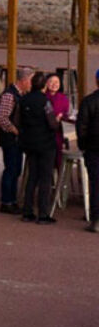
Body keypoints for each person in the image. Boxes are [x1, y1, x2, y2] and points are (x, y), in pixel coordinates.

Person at [18, 70, 59, 223]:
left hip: (29, 142)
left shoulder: (24, 99)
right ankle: (43, 213)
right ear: (44, 86)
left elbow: (18, 119)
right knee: (45, 178)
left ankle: (27, 211)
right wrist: (57, 120)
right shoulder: (45, 101)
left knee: (31, 176)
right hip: (46, 143)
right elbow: (52, 123)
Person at [0, 66, 32, 214]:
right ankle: (6, 201)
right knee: (11, 169)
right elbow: (3, 119)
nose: (31, 84)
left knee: (16, 169)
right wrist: (15, 130)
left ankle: (12, 200)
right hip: (10, 139)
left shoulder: (20, 95)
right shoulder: (9, 95)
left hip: (16, 139)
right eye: (30, 80)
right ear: (24, 80)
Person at [76, 68, 99, 232]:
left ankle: (96, 219)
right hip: (92, 146)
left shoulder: (89, 101)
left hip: (93, 147)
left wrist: (83, 145)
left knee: (96, 183)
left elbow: (81, 126)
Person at [44, 73, 71, 171]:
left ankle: (59, 182)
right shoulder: (43, 97)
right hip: (44, 133)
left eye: (57, 82)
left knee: (59, 156)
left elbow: (66, 114)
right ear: (46, 83)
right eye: (51, 81)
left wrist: (61, 116)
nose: (54, 84)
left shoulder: (63, 98)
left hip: (58, 133)